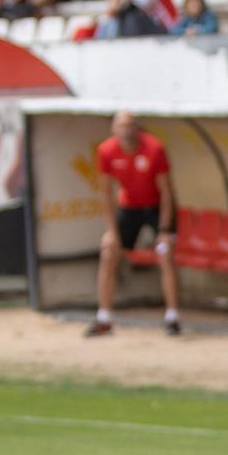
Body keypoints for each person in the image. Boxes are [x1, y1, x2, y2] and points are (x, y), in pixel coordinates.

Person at [87, 110, 182, 337]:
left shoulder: (154, 149)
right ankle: (104, 318)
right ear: (114, 129)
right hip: (129, 208)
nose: (126, 131)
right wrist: (112, 231)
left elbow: (167, 192)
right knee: (108, 250)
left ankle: (172, 317)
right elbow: (106, 195)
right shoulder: (106, 151)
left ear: (138, 128)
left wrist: (164, 229)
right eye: (122, 126)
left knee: (165, 253)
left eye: (130, 126)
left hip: (155, 207)